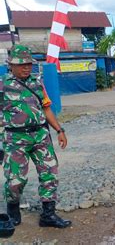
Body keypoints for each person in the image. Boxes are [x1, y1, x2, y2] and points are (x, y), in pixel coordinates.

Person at [1, 45, 71, 228]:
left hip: (40, 136)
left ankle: (48, 215)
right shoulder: (3, 84)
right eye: (22, 64)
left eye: (29, 64)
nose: (26, 67)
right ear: (11, 65)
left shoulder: (37, 83)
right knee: (15, 180)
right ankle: (13, 210)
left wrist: (59, 130)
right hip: (15, 139)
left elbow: (46, 108)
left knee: (49, 174)